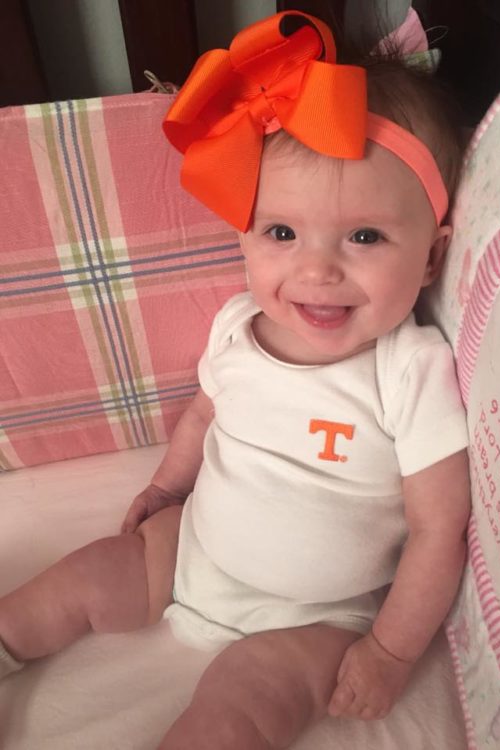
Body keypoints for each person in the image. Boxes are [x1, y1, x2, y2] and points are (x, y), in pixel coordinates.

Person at [0, 11, 470, 749]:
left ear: (434, 259)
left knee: (239, 716)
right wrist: (165, 487)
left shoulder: (409, 372)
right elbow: (201, 417)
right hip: (189, 551)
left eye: (365, 236)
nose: (316, 269)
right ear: (244, 234)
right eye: (282, 233)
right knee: (75, 584)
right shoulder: (235, 327)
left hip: (318, 615)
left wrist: (389, 651)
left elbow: (441, 530)